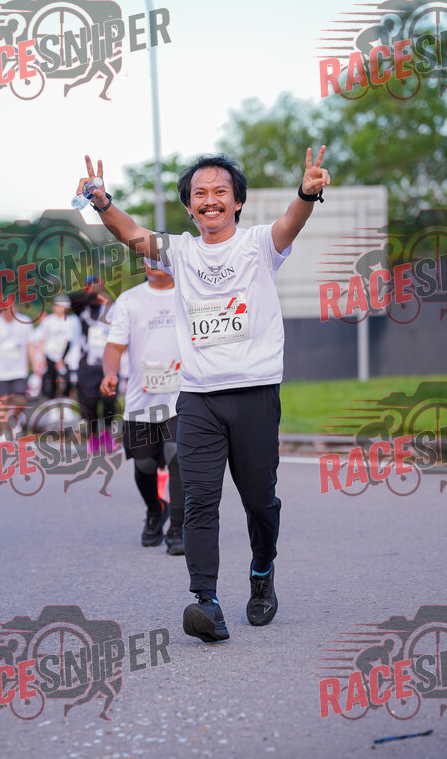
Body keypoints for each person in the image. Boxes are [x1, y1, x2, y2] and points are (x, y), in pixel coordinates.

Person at [74, 150, 330, 642]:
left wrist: (306, 193)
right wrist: (102, 202)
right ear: (189, 207)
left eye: (220, 192)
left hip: (254, 392)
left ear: (237, 201)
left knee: (260, 502)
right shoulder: (181, 252)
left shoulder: (259, 245)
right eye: (199, 194)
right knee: (198, 500)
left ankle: (262, 571)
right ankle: (206, 602)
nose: (210, 200)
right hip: (197, 398)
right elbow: (131, 234)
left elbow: (291, 223)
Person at [100, 260, 186, 554]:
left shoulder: (189, 292)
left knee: (177, 456)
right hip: (141, 399)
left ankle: (178, 528)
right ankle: (155, 510)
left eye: (161, 257)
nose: (154, 263)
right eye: (148, 258)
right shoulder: (129, 300)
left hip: (183, 397)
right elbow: (114, 346)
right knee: (144, 464)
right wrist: (110, 373)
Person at [71, 276, 116, 454]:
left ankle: (107, 432)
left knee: (109, 401)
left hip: (107, 363)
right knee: (89, 402)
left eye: (98, 285)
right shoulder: (82, 308)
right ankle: (93, 434)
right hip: (87, 364)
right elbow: (73, 298)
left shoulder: (111, 307)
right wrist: (93, 293)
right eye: (91, 286)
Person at [0, 304, 38, 441]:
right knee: (1, 402)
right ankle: (4, 433)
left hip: (18, 370)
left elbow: (30, 345)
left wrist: (35, 363)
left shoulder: (24, 322)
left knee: (21, 400)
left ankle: (13, 419)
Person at [38, 296, 81, 399]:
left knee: (67, 382)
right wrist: (41, 358)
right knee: (50, 382)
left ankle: (66, 403)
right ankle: (51, 403)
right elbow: (42, 339)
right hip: (50, 356)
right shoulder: (48, 320)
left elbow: (70, 341)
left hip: (66, 358)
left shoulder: (71, 321)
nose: (56, 307)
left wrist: (62, 360)